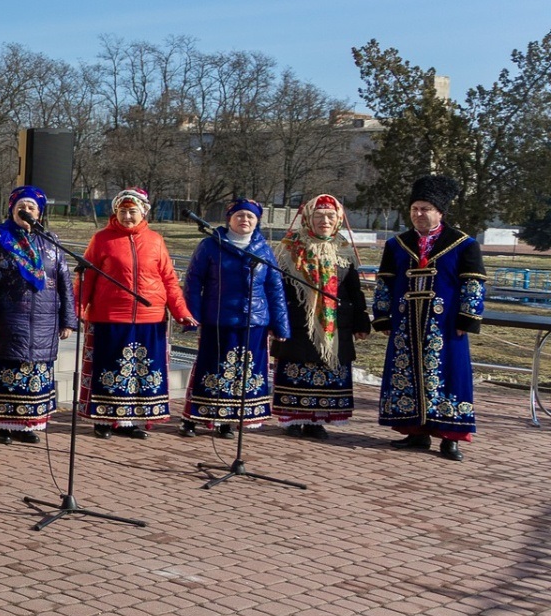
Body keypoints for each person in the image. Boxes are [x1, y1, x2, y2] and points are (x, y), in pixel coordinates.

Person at [374, 175, 485, 459]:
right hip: (406, 323)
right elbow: (385, 282)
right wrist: (383, 316)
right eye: (414, 209)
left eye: (425, 209)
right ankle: (416, 433)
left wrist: (467, 317)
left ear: (440, 212)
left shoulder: (463, 244)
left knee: (449, 375)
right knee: (406, 374)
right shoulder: (397, 244)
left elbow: (473, 283)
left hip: (445, 325)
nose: (419, 214)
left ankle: (451, 438)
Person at [79, 188, 196, 439]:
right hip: (110, 316)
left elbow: (169, 279)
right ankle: (104, 419)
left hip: (150, 318)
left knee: (141, 371)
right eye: (122, 211)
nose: (127, 216)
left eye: (132, 211)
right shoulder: (101, 239)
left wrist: (181, 311)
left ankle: (129, 421)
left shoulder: (155, 240)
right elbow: (87, 277)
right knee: (111, 367)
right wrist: (78, 307)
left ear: (143, 212)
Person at [181, 199, 290, 438]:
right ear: (229, 218)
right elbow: (193, 281)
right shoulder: (211, 245)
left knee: (243, 373)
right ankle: (193, 417)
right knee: (211, 368)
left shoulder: (263, 249)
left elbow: (274, 288)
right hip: (218, 319)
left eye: (250, 217)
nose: (245, 220)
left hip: (254, 322)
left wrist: (280, 324)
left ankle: (228, 421)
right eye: (239, 215)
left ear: (257, 221)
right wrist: (192, 316)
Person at [0, 186, 77, 443]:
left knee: (35, 373)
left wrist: (68, 319)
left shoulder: (51, 241)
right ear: (12, 210)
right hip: (8, 318)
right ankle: (2, 425)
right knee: (8, 370)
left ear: (39, 213)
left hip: (44, 319)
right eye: (21, 206)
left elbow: (64, 282)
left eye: (32, 207)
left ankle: (26, 425)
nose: (26, 210)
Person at [274, 195, 372, 437]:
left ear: (339, 220)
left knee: (327, 371)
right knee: (297, 367)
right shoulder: (290, 248)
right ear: (308, 218)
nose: (325, 221)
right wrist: (277, 321)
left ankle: (316, 422)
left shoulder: (343, 249)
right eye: (318, 216)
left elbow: (354, 290)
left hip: (335, 323)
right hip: (298, 321)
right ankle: (294, 419)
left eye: (330, 216)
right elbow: (278, 289)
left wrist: (361, 321)